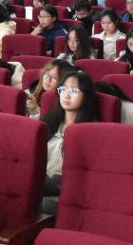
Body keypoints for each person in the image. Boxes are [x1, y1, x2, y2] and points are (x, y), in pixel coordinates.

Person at [42, 71, 98, 205]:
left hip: (64, 195)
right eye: (63, 89)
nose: (66, 95)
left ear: (86, 96)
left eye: (74, 91)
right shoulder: (47, 123)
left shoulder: (92, 133)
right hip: (39, 187)